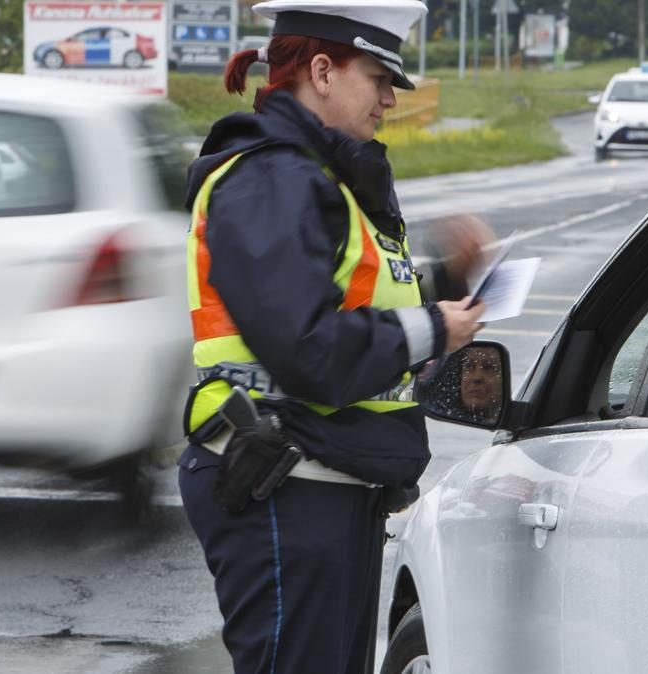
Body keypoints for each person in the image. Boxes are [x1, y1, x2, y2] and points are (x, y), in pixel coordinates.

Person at [174, 2, 490, 672]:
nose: (387, 100)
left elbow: (344, 297)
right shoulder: (269, 177)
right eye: (377, 77)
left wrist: (441, 280)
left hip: (322, 483)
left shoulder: (320, 179)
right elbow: (309, 348)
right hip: (284, 484)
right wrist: (435, 326)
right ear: (321, 70)